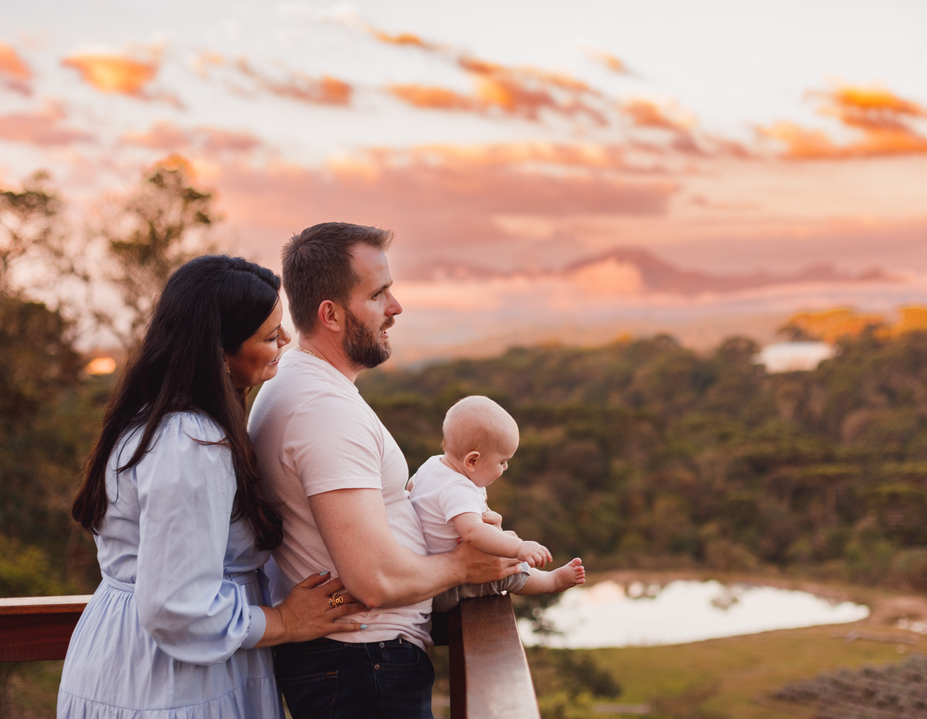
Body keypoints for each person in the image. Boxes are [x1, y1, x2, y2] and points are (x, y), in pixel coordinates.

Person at [59, 255, 367, 719]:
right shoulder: (191, 443)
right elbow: (175, 606)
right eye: (268, 336)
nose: (285, 341)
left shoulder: (150, 421)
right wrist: (283, 620)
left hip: (131, 656)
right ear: (220, 353)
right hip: (170, 677)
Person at [249, 222, 521, 719]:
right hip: (362, 664)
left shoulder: (303, 386)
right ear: (329, 314)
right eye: (378, 294)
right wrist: (465, 565)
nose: (395, 307)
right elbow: (372, 578)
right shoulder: (320, 409)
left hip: (358, 661)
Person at [408, 395, 585, 611]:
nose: (505, 468)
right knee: (508, 569)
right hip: (449, 586)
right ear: (472, 461)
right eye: (502, 462)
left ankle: (549, 578)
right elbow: (473, 533)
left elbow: (410, 489)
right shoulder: (458, 489)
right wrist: (518, 548)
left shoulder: (432, 464)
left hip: (428, 574)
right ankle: (552, 582)